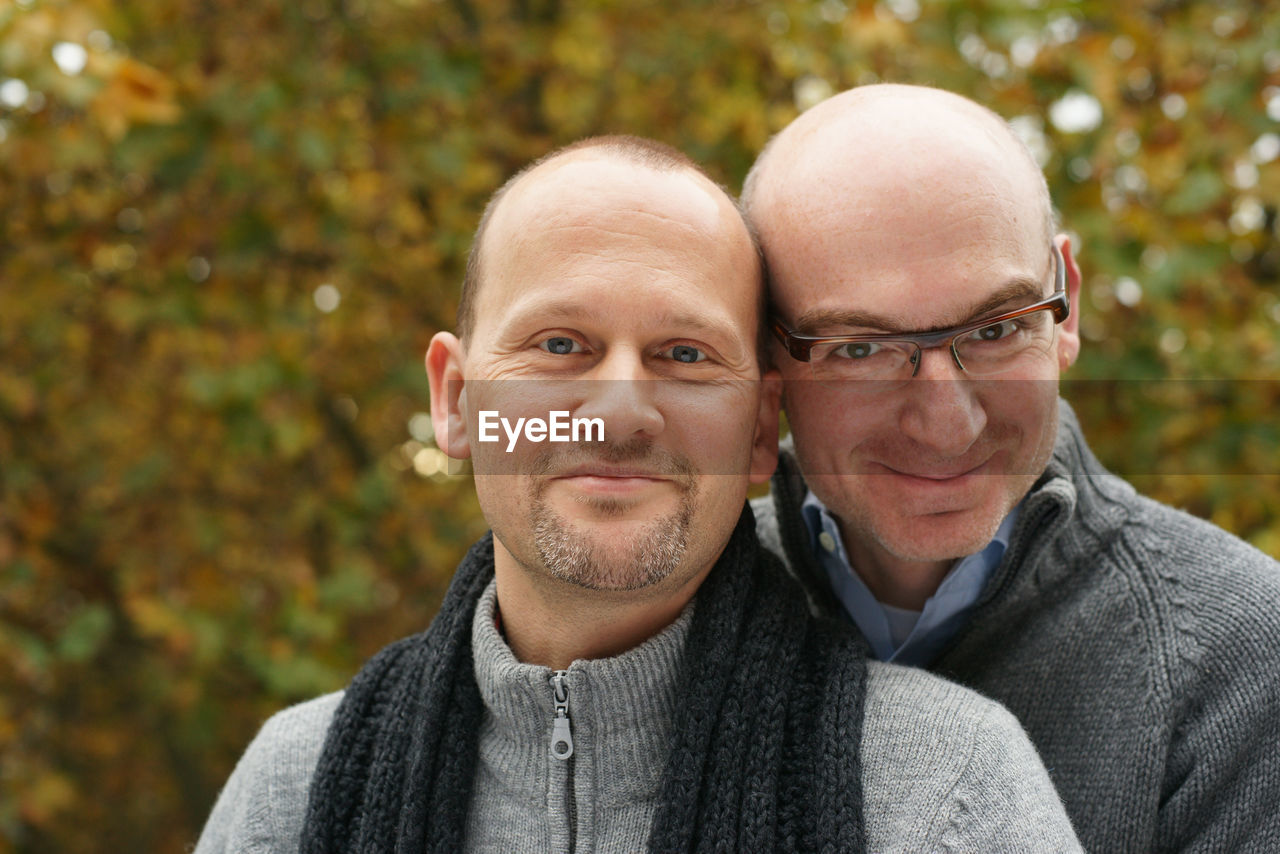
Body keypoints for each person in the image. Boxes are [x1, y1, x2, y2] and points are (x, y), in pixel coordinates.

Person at [194, 135, 1082, 853]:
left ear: (759, 428)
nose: (621, 415)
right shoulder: (297, 789)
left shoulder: (942, 793)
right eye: (559, 347)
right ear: (455, 402)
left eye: (685, 356)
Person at [743, 83, 1280, 852]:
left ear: (1069, 305)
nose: (947, 421)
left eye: (997, 330)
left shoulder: (1243, 662)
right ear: (767, 357)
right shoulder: (677, 617)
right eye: (860, 349)